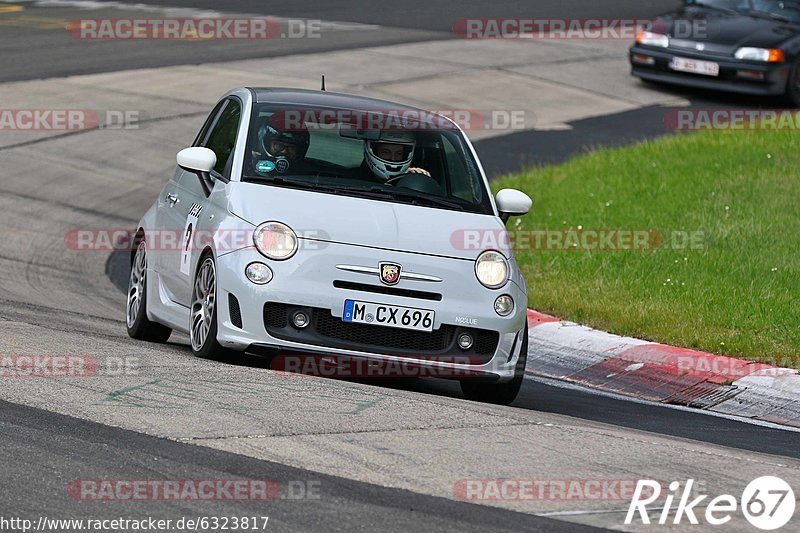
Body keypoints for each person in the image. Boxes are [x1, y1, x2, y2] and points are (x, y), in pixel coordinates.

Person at [363, 131, 431, 181]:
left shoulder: (411, 180)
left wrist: (412, 177)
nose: (393, 158)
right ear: (374, 151)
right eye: (386, 152)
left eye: (399, 153)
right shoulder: (355, 180)